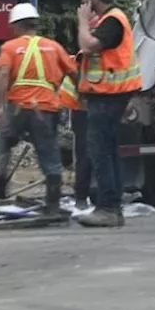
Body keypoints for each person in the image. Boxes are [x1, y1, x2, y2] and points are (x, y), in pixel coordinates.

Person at [0, 3, 77, 217]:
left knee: (5, 143)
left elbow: (2, 75)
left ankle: (0, 191)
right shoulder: (54, 47)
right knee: (49, 153)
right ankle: (53, 204)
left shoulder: (10, 48)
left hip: (19, 107)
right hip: (46, 108)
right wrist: (85, 96)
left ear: (17, 25)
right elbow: (74, 74)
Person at [74, 0, 142, 228]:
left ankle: (107, 208)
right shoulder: (109, 20)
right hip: (108, 96)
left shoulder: (113, 21)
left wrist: (82, 22)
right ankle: (112, 207)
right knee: (109, 151)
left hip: (108, 97)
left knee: (100, 151)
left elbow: (90, 45)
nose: (82, 4)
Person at [58, 75, 93, 210]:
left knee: (84, 153)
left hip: (82, 107)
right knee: (93, 153)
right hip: (87, 106)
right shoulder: (83, 60)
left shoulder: (80, 59)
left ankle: (82, 197)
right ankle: (88, 197)